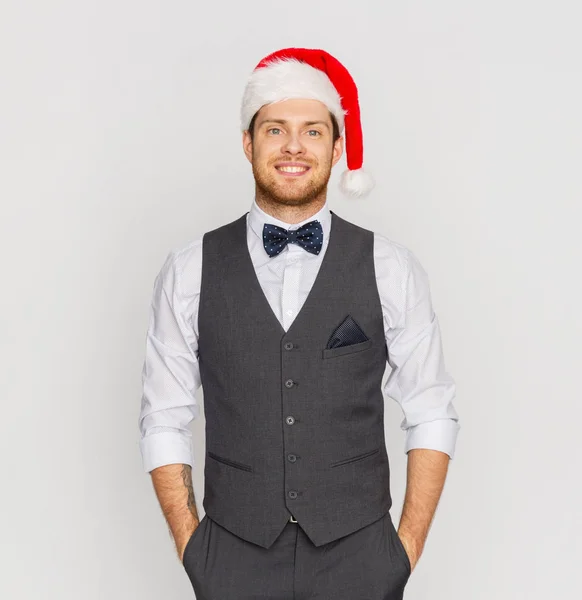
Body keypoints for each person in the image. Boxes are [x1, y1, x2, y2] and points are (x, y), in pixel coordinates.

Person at [138, 47, 460, 599]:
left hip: (360, 558)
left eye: (312, 131)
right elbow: (163, 418)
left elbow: (431, 409)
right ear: (248, 143)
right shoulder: (189, 269)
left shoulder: (391, 267)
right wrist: (195, 549)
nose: (292, 147)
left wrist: (402, 550)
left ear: (337, 148)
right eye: (274, 130)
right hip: (231, 557)